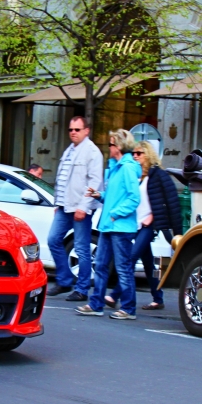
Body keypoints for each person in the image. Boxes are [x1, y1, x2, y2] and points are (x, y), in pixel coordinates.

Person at [105, 141, 183, 312]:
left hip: (149, 225)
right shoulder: (137, 175)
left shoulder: (159, 175)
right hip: (136, 224)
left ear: (148, 154)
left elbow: (170, 201)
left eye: (139, 153)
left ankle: (114, 295)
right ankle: (158, 298)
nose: (135, 156)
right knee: (148, 263)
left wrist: (157, 219)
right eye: (133, 153)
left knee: (131, 258)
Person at [75, 129, 141, 320]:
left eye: (111, 144)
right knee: (101, 265)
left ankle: (129, 309)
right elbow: (115, 197)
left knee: (123, 268)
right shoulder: (116, 167)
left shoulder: (127, 168)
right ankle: (96, 304)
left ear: (119, 146)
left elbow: (133, 198)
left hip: (120, 227)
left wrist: (115, 214)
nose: (109, 147)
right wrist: (99, 195)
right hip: (109, 226)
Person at [46, 116, 104, 301]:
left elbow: (95, 182)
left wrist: (84, 207)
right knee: (53, 240)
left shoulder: (93, 152)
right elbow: (62, 179)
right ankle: (64, 280)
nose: (73, 132)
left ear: (86, 131)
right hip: (64, 205)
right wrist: (58, 202)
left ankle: (82, 289)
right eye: (71, 129)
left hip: (80, 207)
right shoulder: (69, 150)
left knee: (81, 248)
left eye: (77, 130)